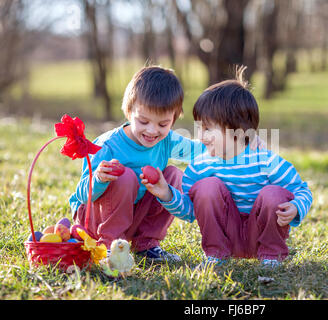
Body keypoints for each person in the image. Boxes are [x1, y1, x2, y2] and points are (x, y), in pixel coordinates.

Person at [142, 67, 313, 268]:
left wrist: (296, 207)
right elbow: (190, 211)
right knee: (207, 187)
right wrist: (166, 193)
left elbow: (302, 190)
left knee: (273, 193)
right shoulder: (199, 167)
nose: (201, 137)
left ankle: (271, 257)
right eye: (200, 128)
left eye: (207, 129)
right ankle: (216, 254)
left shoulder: (267, 161)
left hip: (260, 236)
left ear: (237, 131)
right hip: (225, 236)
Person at [69, 65, 204, 262]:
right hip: (95, 220)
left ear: (174, 119)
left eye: (163, 124)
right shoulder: (107, 146)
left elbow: (199, 151)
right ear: (129, 111)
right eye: (143, 121)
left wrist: (234, 147)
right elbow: (82, 196)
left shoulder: (166, 141)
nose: (152, 131)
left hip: (131, 217)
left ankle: (147, 244)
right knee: (125, 176)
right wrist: (98, 178)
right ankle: (107, 247)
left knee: (174, 175)